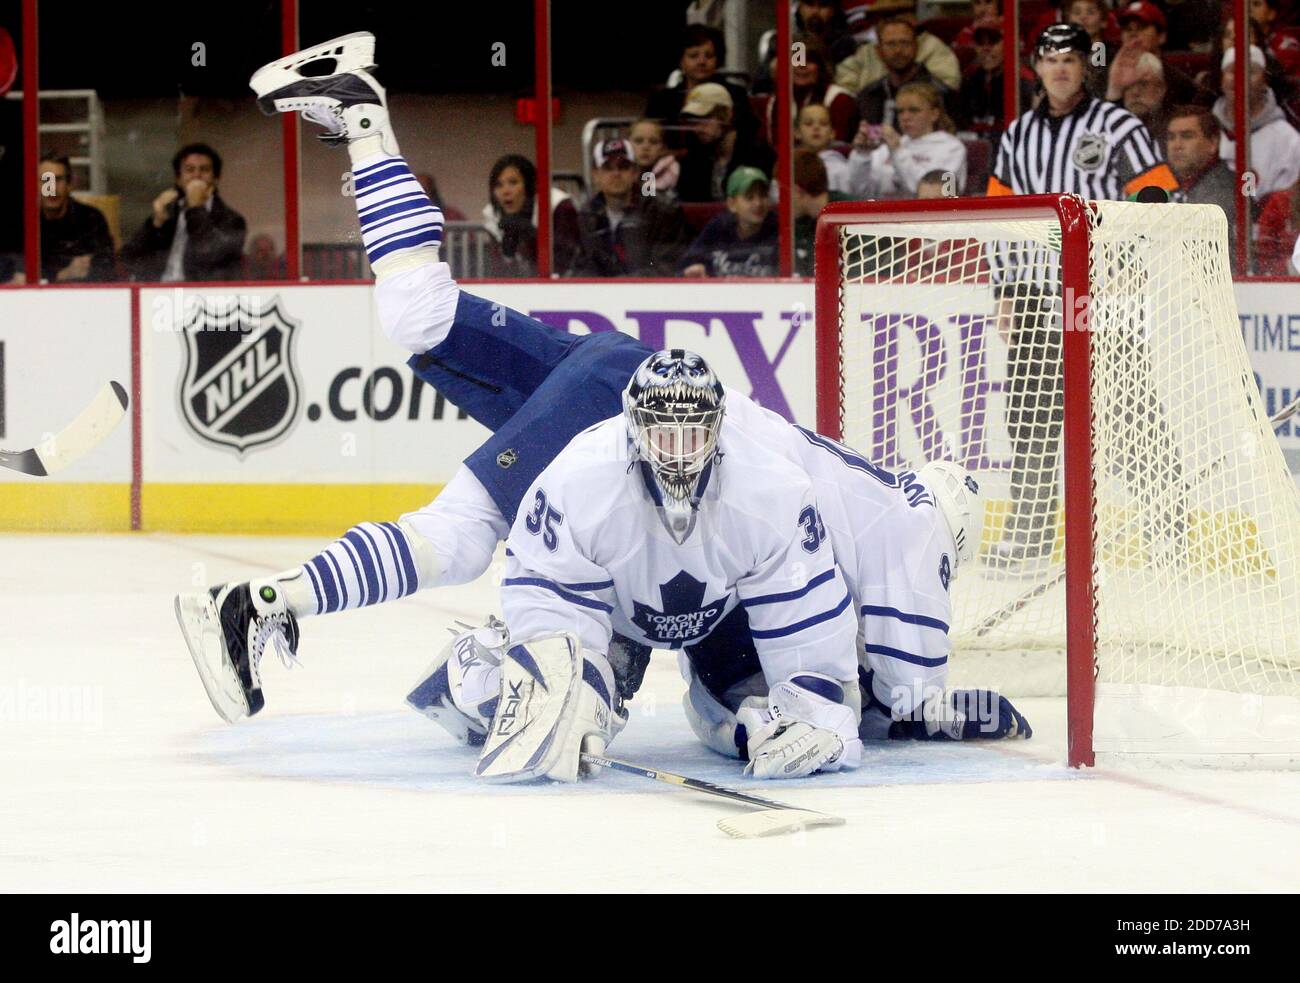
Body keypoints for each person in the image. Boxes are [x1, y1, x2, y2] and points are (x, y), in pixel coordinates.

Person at [179, 32, 1030, 779]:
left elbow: (748, 684)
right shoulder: (893, 525)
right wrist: (906, 709)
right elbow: (893, 683)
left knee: (419, 313)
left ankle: (363, 119)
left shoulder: (837, 515)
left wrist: (777, 719)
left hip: (618, 377)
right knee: (465, 531)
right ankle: (263, 604)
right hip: (622, 404)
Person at [986, 23, 1179, 565]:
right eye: (1050, 59)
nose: (1061, 68)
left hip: (1104, 291)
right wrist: (1003, 289)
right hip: (1033, 296)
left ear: (1084, 66)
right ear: (1037, 67)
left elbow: (1157, 194)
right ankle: (1030, 534)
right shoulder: (1017, 134)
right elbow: (999, 220)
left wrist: (1128, 262)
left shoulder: (1116, 124)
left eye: (1070, 58)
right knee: (1030, 418)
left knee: (1129, 413)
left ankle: (1168, 528)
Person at [121, 142, 246, 282]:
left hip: (201, 297)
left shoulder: (232, 219)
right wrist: (155, 224)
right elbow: (129, 259)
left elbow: (209, 254)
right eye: (189, 170)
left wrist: (195, 208)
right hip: (157, 295)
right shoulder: (169, 211)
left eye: (204, 170)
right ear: (179, 179)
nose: (196, 175)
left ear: (216, 179)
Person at [570, 138, 693, 277]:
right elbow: (580, 268)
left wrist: (620, 286)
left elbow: (669, 266)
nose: (616, 174)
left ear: (635, 172)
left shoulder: (663, 211)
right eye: (607, 168)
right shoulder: (587, 215)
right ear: (595, 174)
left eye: (623, 166)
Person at [644, 25, 758, 149]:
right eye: (693, 56)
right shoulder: (661, 100)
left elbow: (748, 135)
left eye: (709, 56)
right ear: (681, 61)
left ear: (718, 60)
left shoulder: (735, 94)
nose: (702, 62)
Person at [850, 80, 967, 197]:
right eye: (900, 111)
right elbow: (860, 193)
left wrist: (897, 150)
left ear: (934, 114)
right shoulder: (887, 148)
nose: (905, 117)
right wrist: (863, 155)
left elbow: (929, 194)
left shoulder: (952, 148)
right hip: (885, 212)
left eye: (914, 110)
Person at [1212, 45, 1300, 198]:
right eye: (1232, 71)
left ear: (1264, 80)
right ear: (1221, 79)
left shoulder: (1288, 140)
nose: (1240, 77)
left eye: (1250, 71)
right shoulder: (1205, 129)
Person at [480, 153, 580, 276]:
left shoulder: (558, 205)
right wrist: (507, 255)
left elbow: (567, 262)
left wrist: (532, 237)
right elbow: (499, 272)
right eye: (498, 185)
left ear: (529, 185)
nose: (505, 191)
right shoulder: (492, 215)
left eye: (513, 182)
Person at [673, 82, 775, 202]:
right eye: (694, 121)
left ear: (727, 114)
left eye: (706, 118)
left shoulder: (758, 155)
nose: (698, 128)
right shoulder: (693, 159)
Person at [835, 2, 962, 96]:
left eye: (896, 15)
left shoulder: (932, 47)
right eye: (884, 17)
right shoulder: (868, 50)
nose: (892, 22)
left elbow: (947, 88)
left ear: (913, 17)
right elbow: (844, 83)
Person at [850, 17, 956, 129]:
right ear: (878, 51)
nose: (898, 51)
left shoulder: (940, 94)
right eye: (890, 44)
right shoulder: (868, 95)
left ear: (916, 47)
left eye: (904, 43)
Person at [1166, 107, 1238, 268]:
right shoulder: (1166, 182)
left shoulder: (1223, 190)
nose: (1176, 145)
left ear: (1213, 143)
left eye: (1187, 136)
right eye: (1171, 137)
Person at [1104, 2, 1213, 109]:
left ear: (1161, 36)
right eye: (1127, 29)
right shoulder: (1109, 73)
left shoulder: (1179, 81)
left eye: (1141, 27)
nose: (1133, 34)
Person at [678, 166, 779, 277]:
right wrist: (692, 269)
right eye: (749, 197)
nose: (758, 203)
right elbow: (685, 267)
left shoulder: (779, 229)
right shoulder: (718, 228)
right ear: (732, 204)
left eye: (763, 195)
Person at [37, 153, 115, 283]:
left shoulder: (91, 219)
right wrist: (62, 275)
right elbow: (16, 273)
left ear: (69, 184)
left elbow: (105, 268)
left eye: (58, 180)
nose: (52, 189)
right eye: (46, 180)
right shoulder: (24, 222)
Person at [792, 151, 855, 275]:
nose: (779, 200)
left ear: (797, 191)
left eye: (781, 191)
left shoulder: (854, 214)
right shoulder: (801, 223)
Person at [1121, 53, 1173, 147]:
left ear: (1160, 89)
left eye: (1143, 84)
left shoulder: (1176, 126)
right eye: (1128, 85)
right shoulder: (1111, 124)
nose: (1135, 92)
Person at [627, 119, 680, 200]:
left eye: (653, 142)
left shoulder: (672, 174)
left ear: (663, 148)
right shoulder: (617, 171)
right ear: (628, 144)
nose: (645, 147)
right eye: (638, 141)